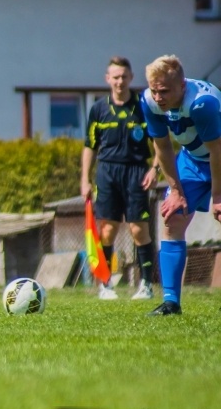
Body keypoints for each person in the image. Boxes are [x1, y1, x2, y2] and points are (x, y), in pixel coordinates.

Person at [141, 55, 221, 316]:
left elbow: (217, 150)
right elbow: (162, 146)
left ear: (182, 86)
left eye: (164, 91)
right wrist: (176, 191)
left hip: (218, 156)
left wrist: (218, 196)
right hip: (192, 160)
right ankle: (170, 303)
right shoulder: (149, 101)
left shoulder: (202, 104)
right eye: (154, 90)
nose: (158, 96)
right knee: (172, 218)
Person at [81, 57, 159, 300]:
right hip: (107, 172)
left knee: (139, 229)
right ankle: (105, 284)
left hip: (136, 172)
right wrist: (84, 178)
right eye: (115, 77)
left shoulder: (143, 107)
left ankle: (146, 284)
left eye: (124, 76)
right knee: (107, 230)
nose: (119, 81)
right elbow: (89, 146)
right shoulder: (98, 109)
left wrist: (155, 169)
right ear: (108, 79)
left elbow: (159, 142)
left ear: (131, 78)